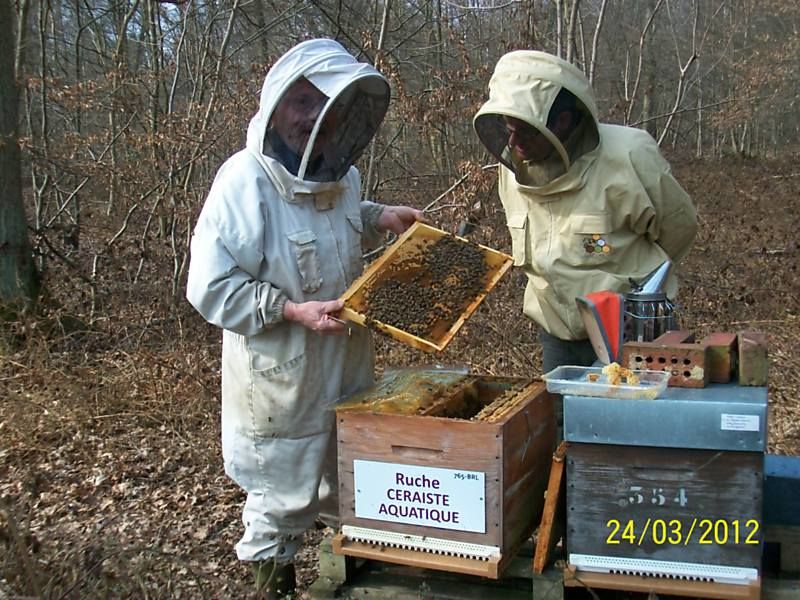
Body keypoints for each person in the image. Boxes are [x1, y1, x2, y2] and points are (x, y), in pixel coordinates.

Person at [186, 38, 423, 598]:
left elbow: (332, 219)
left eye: (326, 106)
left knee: (352, 484)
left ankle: (354, 581)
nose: (313, 119)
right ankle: (276, 588)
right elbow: (210, 287)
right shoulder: (244, 183)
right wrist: (290, 309)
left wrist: (379, 216)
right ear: (275, 106)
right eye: (301, 103)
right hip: (281, 381)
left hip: (345, 366)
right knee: (280, 502)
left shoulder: (343, 175)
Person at [473, 50, 697, 376]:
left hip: (633, 332)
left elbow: (680, 227)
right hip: (558, 338)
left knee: (635, 423)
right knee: (563, 423)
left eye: (525, 131)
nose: (514, 142)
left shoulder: (629, 156)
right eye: (508, 129)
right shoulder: (511, 169)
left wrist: (638, 294)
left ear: (562, 122)